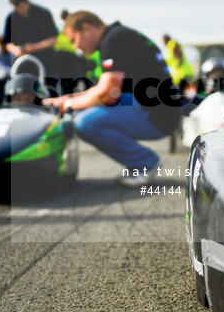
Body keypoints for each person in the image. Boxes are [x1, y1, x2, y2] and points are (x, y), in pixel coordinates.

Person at [43, 11, 181, 186]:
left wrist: (69, 105)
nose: (75, 46)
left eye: (73, 39)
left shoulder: (114, 41)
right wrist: (70, 98)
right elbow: (103, 89)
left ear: (86, 28)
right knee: (86, 110)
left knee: (85, 122)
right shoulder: (119, 36)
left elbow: (107, 94)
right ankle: (142, 163)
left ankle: (145, 163)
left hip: (156, 116)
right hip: (158, 110)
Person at [3, 0, 59, 90]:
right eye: (17, 8)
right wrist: (15, 50)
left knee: (48, 91)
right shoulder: (11, 17)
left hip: (46, 63)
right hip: (21, 65)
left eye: (22, 7)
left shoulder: (43, 13)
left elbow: (54, 38)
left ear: (26, 2)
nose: (20, 11)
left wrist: (34, 47)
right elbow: (6, 42)